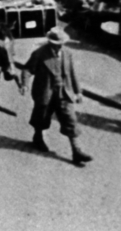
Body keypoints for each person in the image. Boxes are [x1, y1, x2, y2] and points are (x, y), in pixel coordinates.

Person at [19, 28, 92, 165]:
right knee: (41, 117)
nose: (60, 45)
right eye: (57, 43)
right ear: (50, 42)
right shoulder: (40, 54)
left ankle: (76, 151)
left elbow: (72, 72)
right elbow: (27, 69)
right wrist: (24, 84)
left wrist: (78, 92)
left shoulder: (67, 53)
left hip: (64, 92)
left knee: (70, 119)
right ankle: (38, 138)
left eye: (62, 43)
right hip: (45, 92)